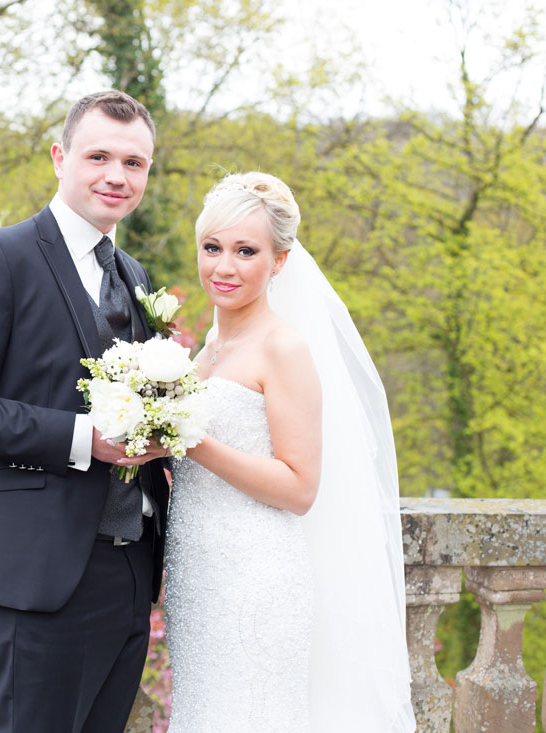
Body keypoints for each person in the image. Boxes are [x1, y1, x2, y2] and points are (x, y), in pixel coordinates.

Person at [0, 90, 170, 732]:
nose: (117, 175)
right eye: (99, 156)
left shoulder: (135, 275)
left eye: (134, 163)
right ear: (60, 157)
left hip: (132, 562)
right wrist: (85, 437)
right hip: (45, 567)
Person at [164, 171, 416, 730]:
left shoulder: (284, 348)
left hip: (257, 578)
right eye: (212, 248)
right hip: (196, 576)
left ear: (278, 261)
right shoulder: (206, 349)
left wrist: (191, 440)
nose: (223, 267)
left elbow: (300, 487)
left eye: (245, 251)